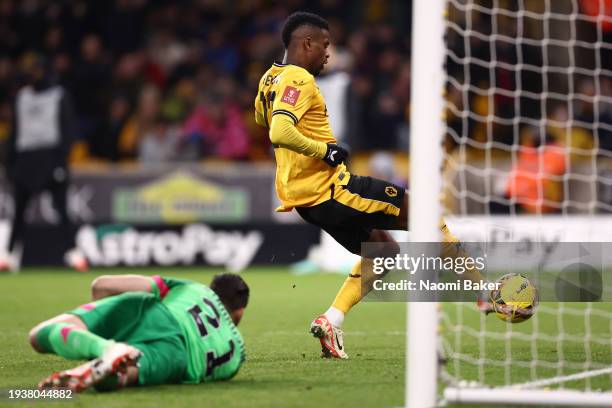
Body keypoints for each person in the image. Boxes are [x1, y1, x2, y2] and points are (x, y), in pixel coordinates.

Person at [254, 11, 490, 360]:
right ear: (306, 43)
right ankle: (483, 293)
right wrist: (325, 150)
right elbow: (279, 130)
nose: (328, 53)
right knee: (423, 212)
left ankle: (331, 320)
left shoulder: (268, 79)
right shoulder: (299, 80)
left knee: (383, 253)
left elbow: (262, 117)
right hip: (330, 188)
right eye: (324, 45)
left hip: (305, 200)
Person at [29, 273, 248, 392]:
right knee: (120, 376)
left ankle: (105, 347)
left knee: (40, 336)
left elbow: (102, 286)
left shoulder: (194, 289)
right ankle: (111, 364)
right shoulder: (236, 354)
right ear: (240, 312)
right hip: (176, 355)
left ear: (212, 291)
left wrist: (106, 320)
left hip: (150, 311)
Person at [2, 55, 86, 272]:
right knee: (19, 211)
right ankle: (10, 255)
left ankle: (73, 254)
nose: (35, 76)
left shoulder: (59, 95)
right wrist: (10, 163)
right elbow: (15, 132)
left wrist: (61, 162)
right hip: (26, 158)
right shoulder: (21, 97)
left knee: (61, 209)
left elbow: (67, 131)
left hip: (50, 157)